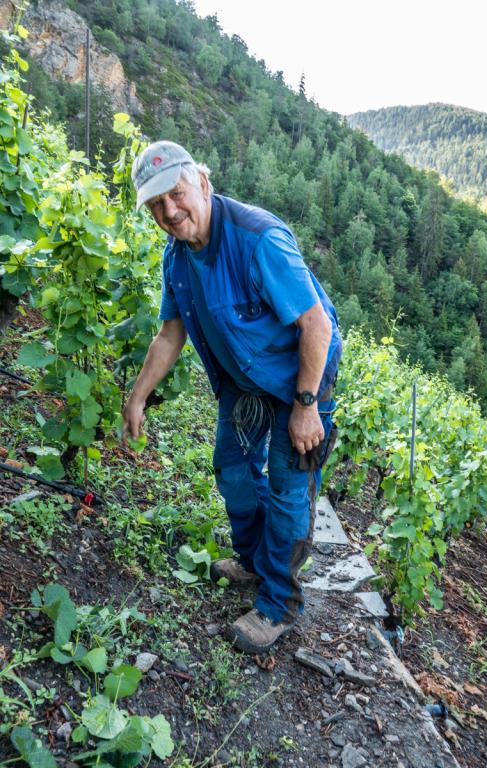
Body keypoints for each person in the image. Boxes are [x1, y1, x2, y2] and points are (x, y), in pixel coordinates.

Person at [123, 140, 342, 654]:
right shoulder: (177, 258)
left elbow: (316, 325)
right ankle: (254, 559)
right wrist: (137, 397)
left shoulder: (258, 238)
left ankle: (279, 604)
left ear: (202, 182)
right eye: (156, 204)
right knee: (233, 470)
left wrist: (306, 406)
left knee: (289, 490)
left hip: (299, 382)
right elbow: (170, 334)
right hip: (245, 383)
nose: (169, 211)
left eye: (176, 194)